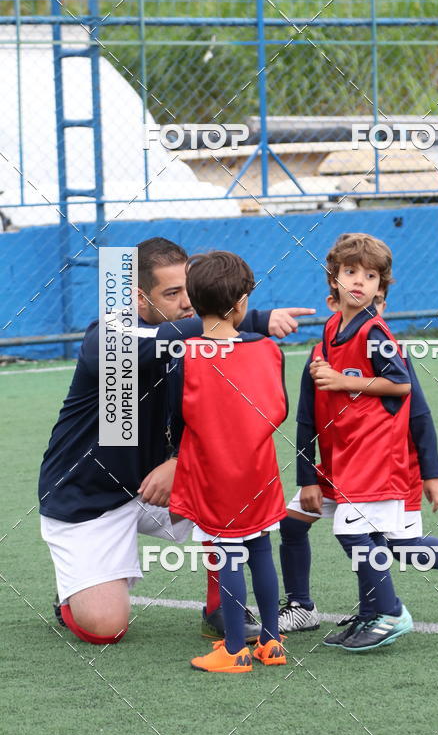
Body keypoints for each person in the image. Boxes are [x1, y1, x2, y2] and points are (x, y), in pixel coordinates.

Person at [39, 236, 312, 645]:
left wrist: (181, 461)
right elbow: (145, 346)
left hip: (158, 486)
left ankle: (221, 611)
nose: (188, 302)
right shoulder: (108, 337)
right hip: (88, 499)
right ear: (138, 297)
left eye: (190, 289)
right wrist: (250, 318)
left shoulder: (201, 345)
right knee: (105, 628)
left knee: (232, 479)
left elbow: (223, 424)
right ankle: (71, 596)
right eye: (172, 293)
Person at [279, 232, 438, 650]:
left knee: (370, 539)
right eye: (350, 272)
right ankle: (306, 606)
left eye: (370, 276)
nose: (359, 281)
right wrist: (307, 475)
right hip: (339, 461)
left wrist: (431, 473)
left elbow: (411, 399)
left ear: (381, 289)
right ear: (333, 287)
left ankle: (387, 611)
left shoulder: (379, 338)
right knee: (302, 526)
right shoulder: (323, 341)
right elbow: (307, 415)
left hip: (378, 461)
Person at [169, 251, 287, 673]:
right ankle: (271, 643)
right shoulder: (268, 350)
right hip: (260, 470)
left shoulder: (185, 354)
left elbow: (176, 417)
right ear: (241, 303)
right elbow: (279, 408)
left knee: (227, 554)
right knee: (260, 550)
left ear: (193, 302)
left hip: (215, 474)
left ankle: (234, 649)